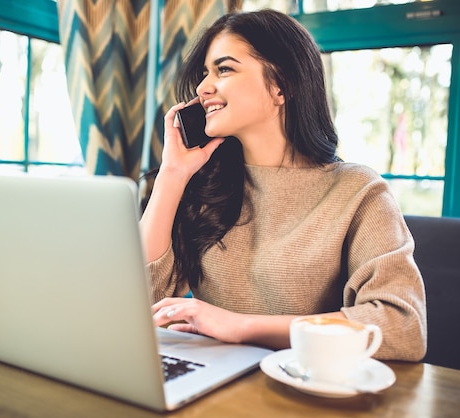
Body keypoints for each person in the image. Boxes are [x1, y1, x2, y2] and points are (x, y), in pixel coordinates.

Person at [140, 9, 426, 361]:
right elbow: (137, 300)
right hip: (212, 385)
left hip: (305, 389)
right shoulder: (203, 186)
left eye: (224, 69)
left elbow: (402, 327)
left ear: (281, 85)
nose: (202, 88)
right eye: (204, 74)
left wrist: (242, 326)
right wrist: (172, 173)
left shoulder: (358, 191)